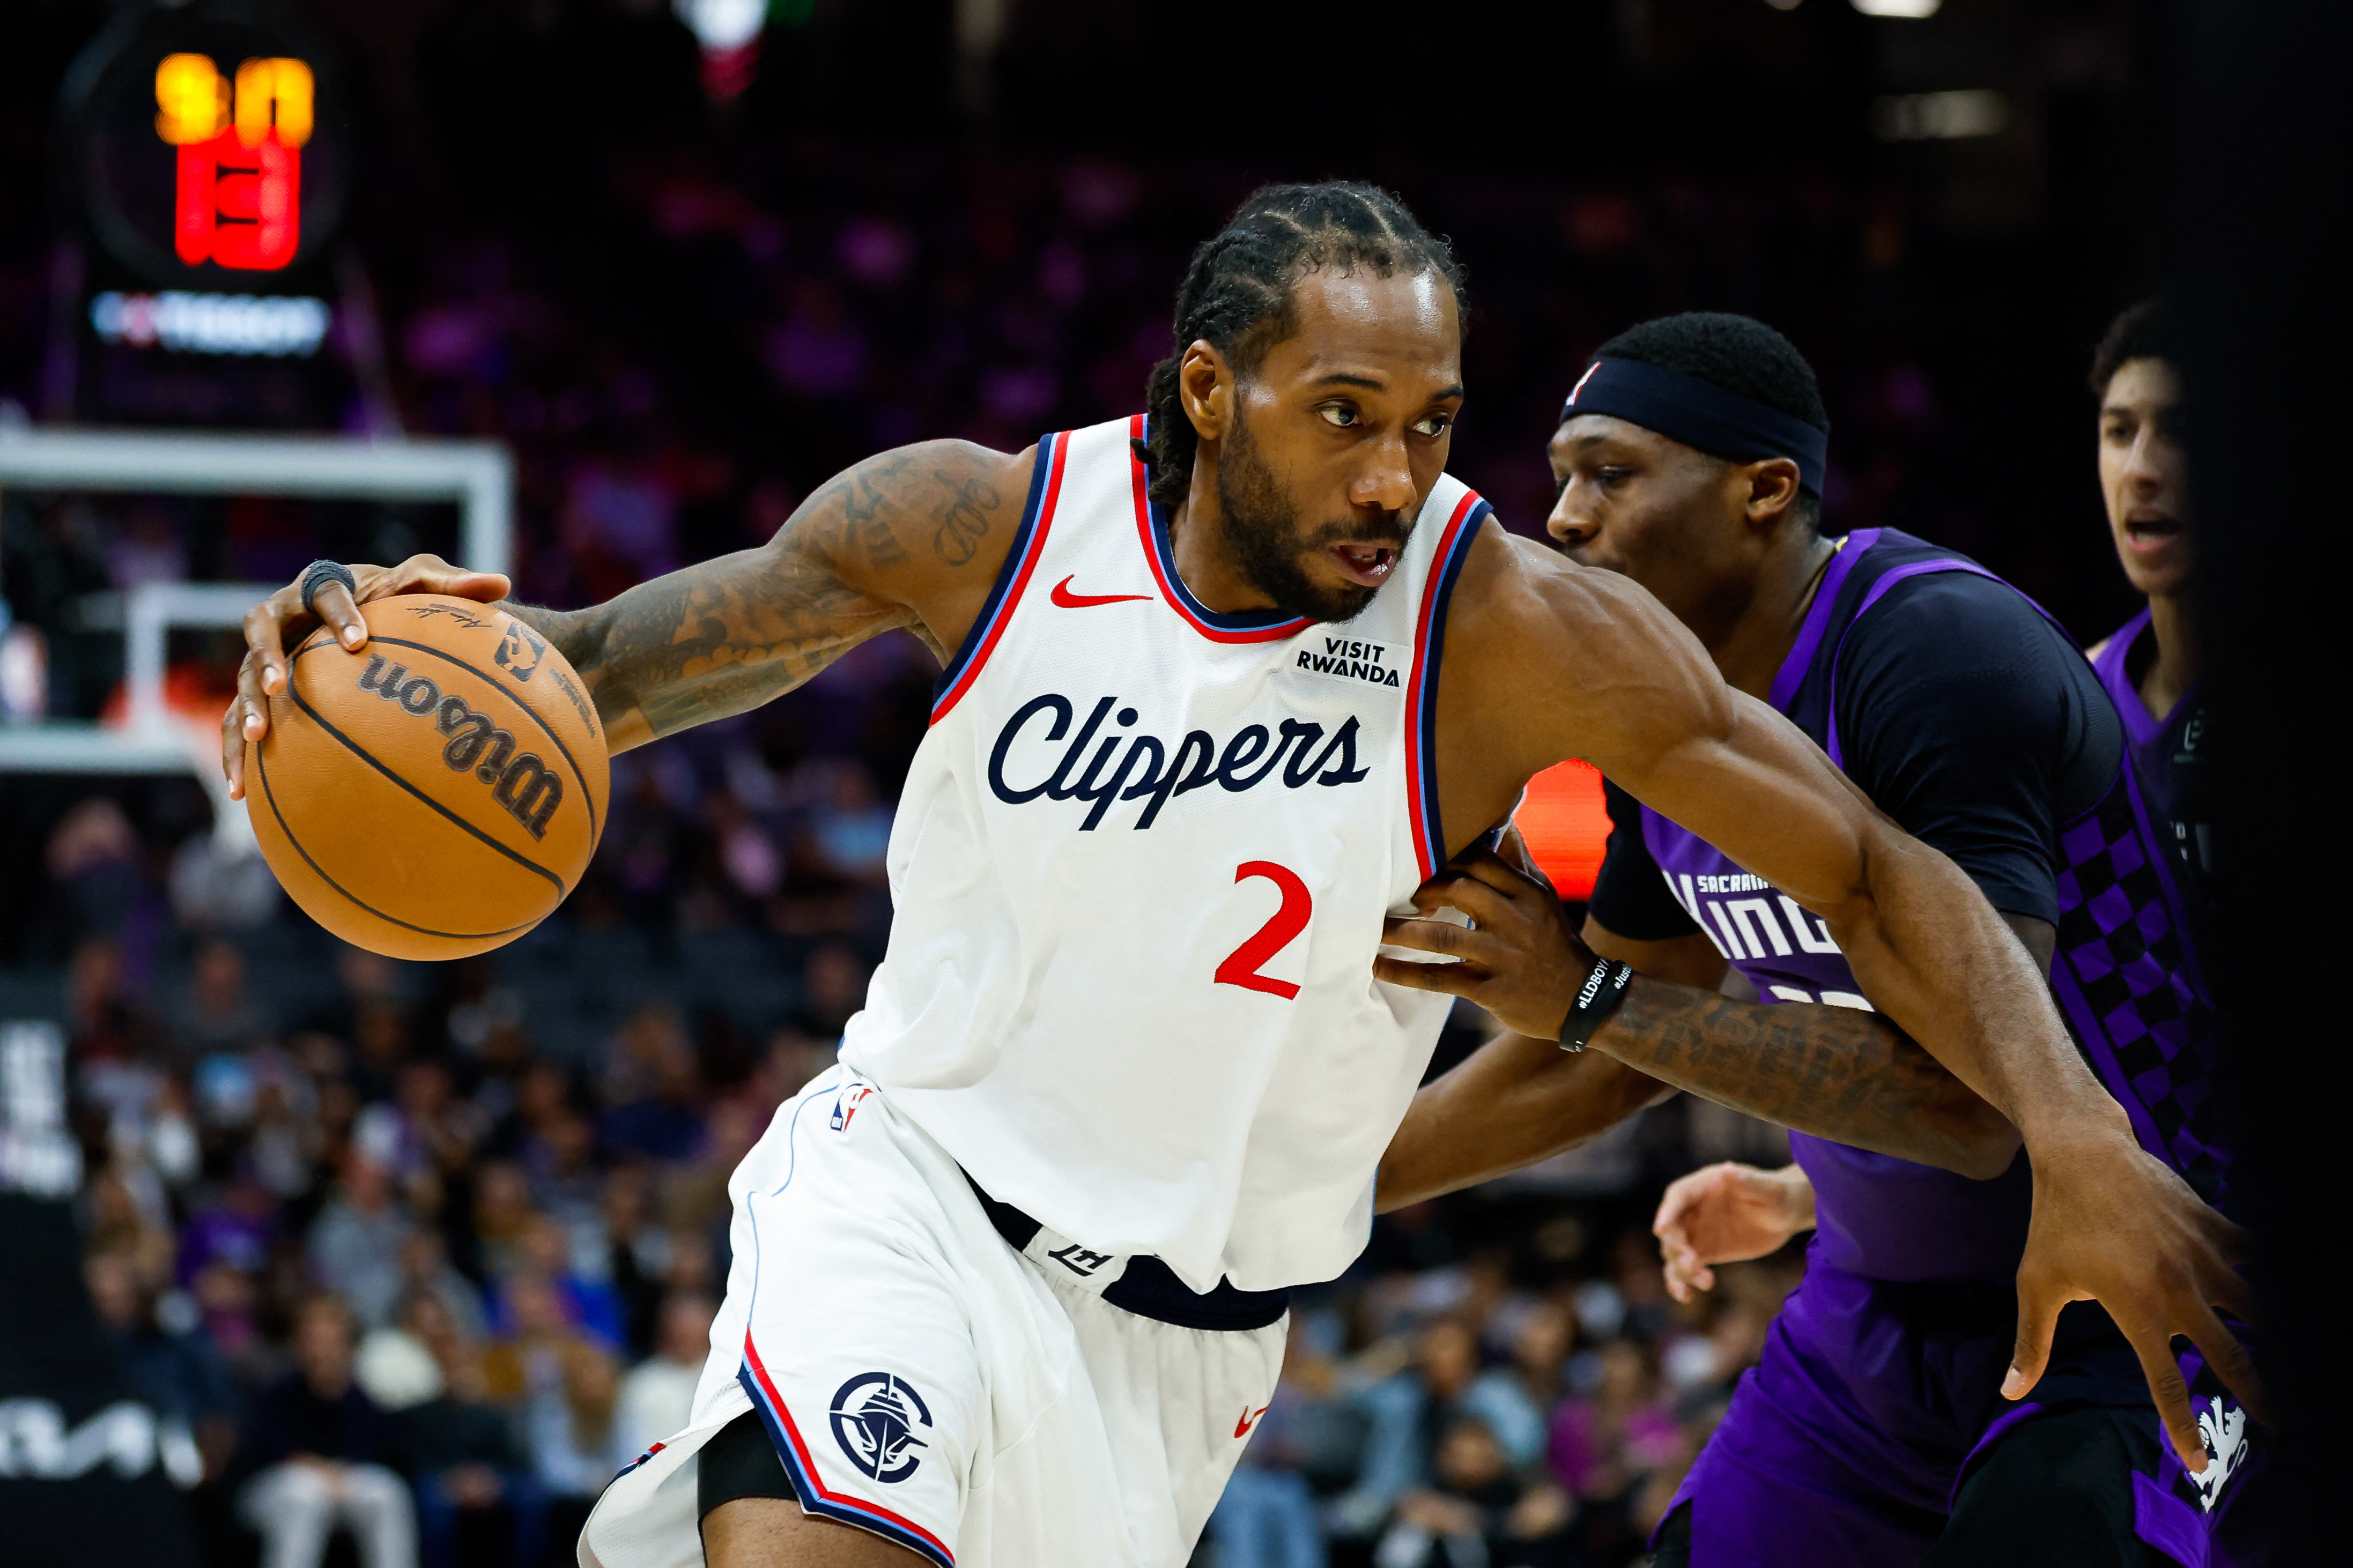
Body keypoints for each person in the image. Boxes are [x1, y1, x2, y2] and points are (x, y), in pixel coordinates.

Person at [226, 184, 2242, 1568]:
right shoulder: (976, 526)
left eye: (1429, 423)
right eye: (1341, 416)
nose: (1394, 474)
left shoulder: (1511, 632)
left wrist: (2073, 1135)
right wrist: (343, 625)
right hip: (907, 1206)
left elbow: (1876, 873)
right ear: (1208, 391)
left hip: (1184, 1356)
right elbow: (588, 667)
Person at [1373, 312, 2255, 1566]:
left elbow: (1971, 1106)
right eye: (1561, 476)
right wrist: (1302, 1195)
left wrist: (1587, 997)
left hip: (2122, 1298)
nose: (1563, 517)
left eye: (1610, 473)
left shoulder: (1928, 650)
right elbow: (1600, 1059)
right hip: (1865, 1319)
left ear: (1763, 490)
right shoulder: (1654, 713)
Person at [235, 1293, 418, 1568]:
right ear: (298, 1345)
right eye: (313, 1341)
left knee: (387, 1492)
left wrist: (339, 1474)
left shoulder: (362, 1400)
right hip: (276, 1491)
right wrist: (319, 1470)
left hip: (341, 1486)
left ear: (349, 1347)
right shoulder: (276, 1395)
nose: (322, 1352)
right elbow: (268, 1452)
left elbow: (379, 1452)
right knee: (305, 1493)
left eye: (331, 1342)